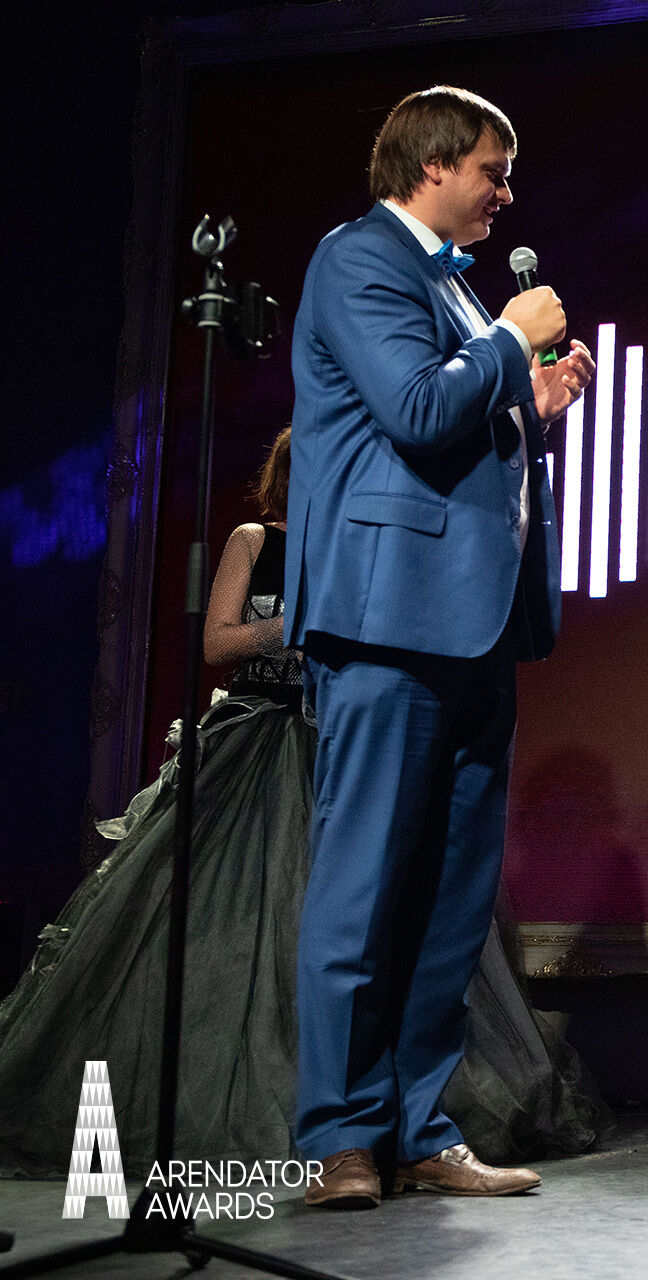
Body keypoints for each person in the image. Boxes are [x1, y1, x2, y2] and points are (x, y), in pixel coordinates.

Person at [0, 430, 607, 1178]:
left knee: (383, 914)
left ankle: (392, 1118)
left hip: (343, 740)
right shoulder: (255, 539)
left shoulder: (358, 542)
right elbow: (217, 643)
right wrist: (300, 623)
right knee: (243, 925)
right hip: (256, 741)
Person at [287, 85, 595, 1208]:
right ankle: (338, 1137)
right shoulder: (361, 259)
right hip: (385, 622)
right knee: (365, 890)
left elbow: (463, 428)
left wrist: (533, 405)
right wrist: (512, 343)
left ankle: (418, 1128)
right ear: (431, 165)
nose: (504, 193)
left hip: (474, 627)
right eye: (491, 171)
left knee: (450, 905)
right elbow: (416, 411)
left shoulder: (456, 287)